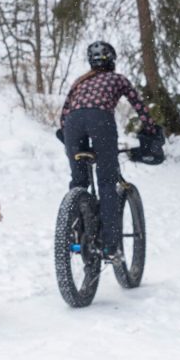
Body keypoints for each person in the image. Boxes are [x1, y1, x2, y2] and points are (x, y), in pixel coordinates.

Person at [58, 40, 157, 255]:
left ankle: (77, 233)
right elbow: (139, 106)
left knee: (79, 181)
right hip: (100, 120)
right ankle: (110, 246)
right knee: (106, 181)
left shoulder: (79, 81)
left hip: (73, 124)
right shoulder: (117, 79)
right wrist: (151, 130)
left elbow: (64, 114)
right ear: (111, 60)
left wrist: (66, 137)